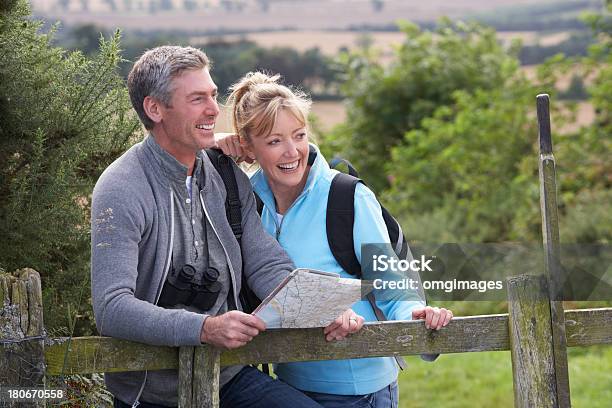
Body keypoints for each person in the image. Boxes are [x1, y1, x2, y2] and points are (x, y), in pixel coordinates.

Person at [90, 46, 363, 408]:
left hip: (230, 374)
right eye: (197, 99)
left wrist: (323, 308)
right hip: (152, 391)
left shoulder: (225, 175)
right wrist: (204, 329)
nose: (213, 110)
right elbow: (112, 308)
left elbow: (267, 264)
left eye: (213, 95)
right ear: (155, 109)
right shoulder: (122, 187)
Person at [216, 71, 453, 408]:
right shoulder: (247, 201)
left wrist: (414, 312)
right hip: (287, 386)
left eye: (298, 135)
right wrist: (215, 145)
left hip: (359, 389)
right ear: (247, 146)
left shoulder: (348, 198)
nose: (291, 151)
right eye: (274, 141)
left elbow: (392, 286)